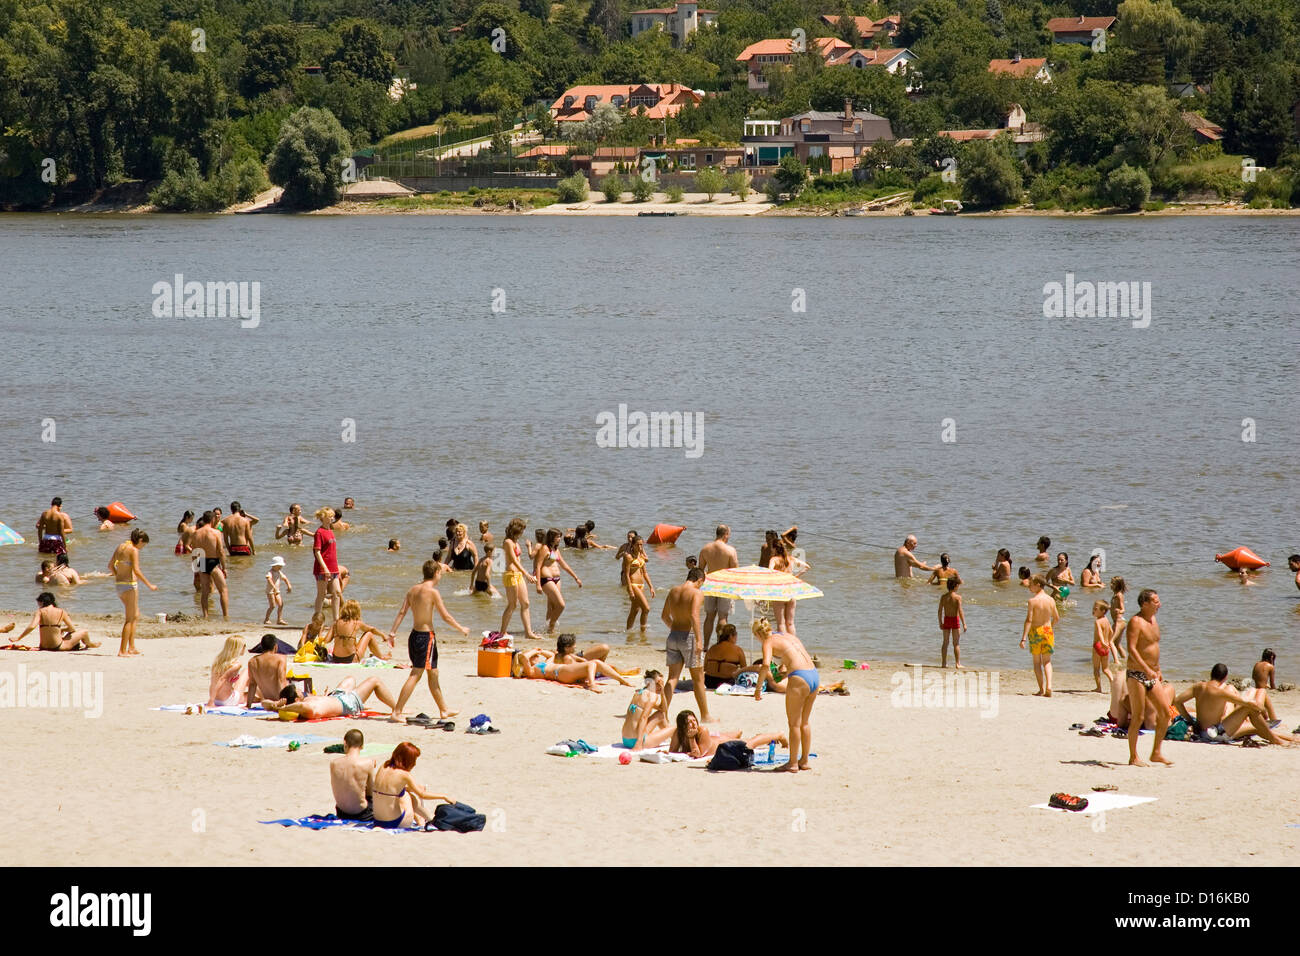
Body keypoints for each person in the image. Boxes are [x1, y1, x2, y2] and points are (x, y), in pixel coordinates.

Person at [389, 560, 470, 723]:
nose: (441, 575)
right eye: (440, 573)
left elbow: (402, 612)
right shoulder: (433, 592)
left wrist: (392, 632)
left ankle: (443, 710)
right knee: (416, 674)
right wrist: (461, 628)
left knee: (433, 672)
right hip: (426, 637)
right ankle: (397, 711)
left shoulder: (412, 590)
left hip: (414, 636)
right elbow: (445, 616)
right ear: (436, 574)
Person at [1173, 664, 1298, 746]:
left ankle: (1290, 739)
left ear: (1211, 674)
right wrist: (1260, 707)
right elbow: (1247, 704)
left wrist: (1190, 720)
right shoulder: (1221, 692)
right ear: (1225, 678)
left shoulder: (1198, 686)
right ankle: (1277, 740)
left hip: (1201, 731)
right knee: (1249, 709)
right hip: (1214, 734)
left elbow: (1177, 701)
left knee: (1255, 728)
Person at [752, 619, 817, 773]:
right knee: (805, 723)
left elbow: (766, 664)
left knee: (794, 723)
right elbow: (794, 657)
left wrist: (758, 688)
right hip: (814, 674)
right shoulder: (787, 635)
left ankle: (793, 763)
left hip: (800, 677)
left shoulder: (767, 642)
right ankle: (804, 760)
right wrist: (784, 672)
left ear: (757, 634)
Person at [1124, 589, 1174, 767]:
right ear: (1144, 604)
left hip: (1152, 674)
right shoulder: (1135, 622)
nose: (1159, 604)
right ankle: (1133, 757)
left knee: (1165, 713)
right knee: (1138, 717)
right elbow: (1132, 649)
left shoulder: (1154, 620)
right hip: (1136, 674)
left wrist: (1157, 669)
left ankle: (1156, 753)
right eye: (1155, 601)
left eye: (1158, 601)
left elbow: (1153, 646)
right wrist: (1146, 669)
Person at [661, 567, 711, 722]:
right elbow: (694, 615)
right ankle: (705, 716)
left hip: (673, 636)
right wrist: (699, 640)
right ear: (700, 580)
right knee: (698, 679)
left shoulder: (673, 591)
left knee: (672, 678)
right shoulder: (697, 593)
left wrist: (675, 630)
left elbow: (664, 616)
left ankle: (663, 714)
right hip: (689, 637)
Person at [372, 742, 454, 830]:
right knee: (408, 796)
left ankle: (424, 820)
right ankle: (429, 819)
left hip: (377, 821)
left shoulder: (384, 766)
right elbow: (422, 795)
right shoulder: (405, 775)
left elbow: (390, 789)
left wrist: (411, 788)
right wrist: (444, 796)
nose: (414, 764)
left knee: (405, 793)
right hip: (395, 822)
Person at [110, 529, 157, 657]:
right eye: (143, 545)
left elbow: (110, 565)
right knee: (129, 619)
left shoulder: (120, 546)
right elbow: (136, 570)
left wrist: (118, 576)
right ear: (140, 541)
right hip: (129, 586)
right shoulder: (133, 550)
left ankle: (131, 647)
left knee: (136, 615)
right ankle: (122, 650)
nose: (142, 548)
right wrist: (149, 585)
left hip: (119, 585)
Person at [271, 674, 397, 721]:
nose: (301, 691)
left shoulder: (305, 701)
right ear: (297, 699)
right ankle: (397, 709)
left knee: (350, 678)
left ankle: (359, 696)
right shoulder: (306, 707)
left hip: (336, 697)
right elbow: (300, 706)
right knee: (374, 680)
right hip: (347, 703)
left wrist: (275, 704)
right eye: (298, 691)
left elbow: (264, 703)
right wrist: (280, 706)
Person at [669, 710, 786, 759]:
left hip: (723, 744)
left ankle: (779, 735)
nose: (693, 724)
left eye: (694, 720)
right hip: (714, 740)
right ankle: (738, 733)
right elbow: (672, 751)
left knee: (750, 743)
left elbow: (698, 755)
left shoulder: (702, 730)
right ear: (682, 726)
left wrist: (691, 738)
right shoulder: (678, 732)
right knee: (737, 735)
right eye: (689, 722)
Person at [510, 648, 633, 692]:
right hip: (561, 673)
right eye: (534, 657)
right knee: (591, 664)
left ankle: (621, 680)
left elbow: (551, 655)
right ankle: (592, 684)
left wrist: (540, 651)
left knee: (597, 663)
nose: (537, 657)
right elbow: (523, 657)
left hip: (563, 671)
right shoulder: (531, 671)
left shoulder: (543, 664)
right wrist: (533, 652)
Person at [698, 525, 739, 649]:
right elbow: (735, 571)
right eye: (729, 534)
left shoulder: (706, 549)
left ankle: (705, 646)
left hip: (710, 585)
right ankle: (720, 645)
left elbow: (700, 570)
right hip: (725, 586)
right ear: (725, 534)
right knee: (723, 617)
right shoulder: (730, 550)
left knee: (709, 617)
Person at [498, 518, 539, 640]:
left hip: (518, 575)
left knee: (525, 603)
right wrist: (527, 574)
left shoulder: (516, 542)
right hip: (511, 574)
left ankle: (528, 632)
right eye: (522, 530)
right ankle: (502, 632)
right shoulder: (508, 542)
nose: (523, 533)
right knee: (512, 605)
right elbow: (514, 560)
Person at [535, 528, 582, 633]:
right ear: (551, 537)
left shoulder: (556, 550)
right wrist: (538, 584)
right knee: (561, 605)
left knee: (552, 606)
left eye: (560, 536)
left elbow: (564, 565)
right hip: (546, 579)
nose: (560, 539)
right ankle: (551, 625)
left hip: (557, 579)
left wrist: (576, 578)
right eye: (557, 537)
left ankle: (548, 630)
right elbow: (538, 566)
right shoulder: (545, 548)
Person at [1018, 574, 1058, 697]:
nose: (1029, 586)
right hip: (1048, 631)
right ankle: (1049, 686)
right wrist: (1050, 626)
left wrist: (1023, 638)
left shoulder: (1032, 601)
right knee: (1047, 661)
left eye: (1031, 584)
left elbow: (1029, 620)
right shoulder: (1051, 600)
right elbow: (1057, 618)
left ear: (1038, 585)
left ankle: (1041, 689)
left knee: (1037, 662)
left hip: (1035, 632)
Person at [15, 593, 98, 650]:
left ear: (42, 602)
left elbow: (32, 626)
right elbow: (72, 629)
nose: (38, 605)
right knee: (84, 632)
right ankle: (89, 644)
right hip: (58, 646)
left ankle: (88, 644)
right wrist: (63, 630)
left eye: (38, 603)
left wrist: (19, 638)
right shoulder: (61, 611)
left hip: (43, 646)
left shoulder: (39, 611)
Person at [621, 671, 673, 750]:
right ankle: (676, 741)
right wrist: (639, 742)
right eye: (658, 683)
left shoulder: (638, 693)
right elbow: (643, 718)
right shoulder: (652, 696)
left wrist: (662, 693)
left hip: (625, 739)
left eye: (662, 683)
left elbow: (663, 709)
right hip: (635, 740)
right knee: (674, 729)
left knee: (660, 714)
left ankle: (672, 739)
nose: (660, 686)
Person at [331, 729, 376, 821]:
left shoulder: (333, 763)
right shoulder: (368, 763)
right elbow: (371, 792)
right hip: (362, 813)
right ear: (362, 746)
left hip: (341, 813)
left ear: (345, 743)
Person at [192, 513, 228, 620]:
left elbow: (194, 553)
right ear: (212, 519)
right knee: (223, 590)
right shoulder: (216, 532)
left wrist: (195, 569)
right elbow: (220, 551)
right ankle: (226, 616)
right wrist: (224, 567)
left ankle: (205, 615)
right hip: (213, 561)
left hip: (201, 561)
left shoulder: (195, 533)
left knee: (205, 592)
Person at [312, 507, 342, 622]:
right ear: (323, 518)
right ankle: (317, 619)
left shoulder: (330, 531)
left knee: (337, 593)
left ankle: (336, 620)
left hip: (333, 568)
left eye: (332, 516)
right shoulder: (319, 532)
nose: (332, 518)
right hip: (322, 568)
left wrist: (335, 566)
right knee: (321, 594)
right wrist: (324, 567)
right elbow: (317, 552)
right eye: (330, 516)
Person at [247, 634, 293, 707]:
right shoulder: (281, 659)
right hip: (281, 699)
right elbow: (281, 681)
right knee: (307, 695)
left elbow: (252, 684)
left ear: (261, 646)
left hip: (268, 699)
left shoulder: (252, 661)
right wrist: (284, 702)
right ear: (276, 647)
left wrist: (248, 705)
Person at [703, 623, 754, 688]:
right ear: (730, 636)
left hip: (709, 681)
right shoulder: (738, 650)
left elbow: (705, 668)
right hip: (728, 682)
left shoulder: (712, 648)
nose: (736, 638)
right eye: (736, 635)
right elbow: (744, 669)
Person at [623, 534, 655, 633]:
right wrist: (630, 590)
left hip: (641, 585)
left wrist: (651, 586)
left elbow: (645, 573)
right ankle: (643, 632)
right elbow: (626, 574)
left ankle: (628, 632)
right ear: (632, 545)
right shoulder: (628, 556)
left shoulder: (641, 556)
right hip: (633, 585)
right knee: (646, 608)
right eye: (638, 545)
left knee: (635, 610)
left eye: (641, 545)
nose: (640, 547)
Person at [208, 637, 248, 706]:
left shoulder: (218, 662)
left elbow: (213, 683)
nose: (245, 648)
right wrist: (211, 702)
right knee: (247, 671)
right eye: (244, 645)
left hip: (217, 700)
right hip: (228, 700)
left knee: (250, 695)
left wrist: (212, 699)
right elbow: (222, 680)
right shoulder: (236, 665)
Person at [938, 576, 966, 668]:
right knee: (956, 643)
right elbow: (960, 611)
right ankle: (957, 663)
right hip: (955, 620)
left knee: (945, 642)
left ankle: (944, 663)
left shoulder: (943, 597)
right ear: (955, 586)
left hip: (946, 619)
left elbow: (940, 610)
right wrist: (964, 624)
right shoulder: (958, 597)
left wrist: (940, 622)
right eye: (958, 585)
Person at [37, 497, 73, 566]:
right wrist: (65, 546)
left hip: (46, 539)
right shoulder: (59, 516)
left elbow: (40, 529)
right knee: (59, 561)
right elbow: (61, 532)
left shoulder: (44, 514)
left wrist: (40, 542)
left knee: (45, 559)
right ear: (59, 506)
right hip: (56, 540)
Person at [1091, 599, 1115, 693]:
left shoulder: (1098, 621)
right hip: (1106, 647)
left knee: (1096, 669)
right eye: (1093, 608)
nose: (1093, 610)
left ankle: (1098, 688)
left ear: (1103, 611)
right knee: (1106, 669)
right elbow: (1111, 632)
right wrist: (1108, 641)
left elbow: (1100, 633)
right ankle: (1113, 683)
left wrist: (1102, 642)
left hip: (1098, 646)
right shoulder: (1106, 620)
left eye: (1096, 609)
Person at [1248, 649, 1278, 722]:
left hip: (1255, 689)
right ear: (1271, 657)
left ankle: (1272, 719)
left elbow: (1254, 677)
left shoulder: (1257, 664)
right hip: (1262, 691)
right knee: (1269, 707)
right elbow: (1272, 684)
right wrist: (1274, 689)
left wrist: (1264, 684)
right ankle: (1274, 720)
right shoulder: (1270, 666)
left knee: (1264, 706)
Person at [264, 556, 292, 625]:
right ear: (274, 565)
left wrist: (289, 586)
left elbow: (285, 578)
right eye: (279, 566)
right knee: (272, 606)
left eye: (281, 566)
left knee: (281, 604)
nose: (281, 567)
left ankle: (279, 619)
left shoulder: (279, 572)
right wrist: (274, 587)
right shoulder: (270, 572)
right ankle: (266, 619)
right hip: (270, 591)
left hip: (277, 591)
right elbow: (269, 579)